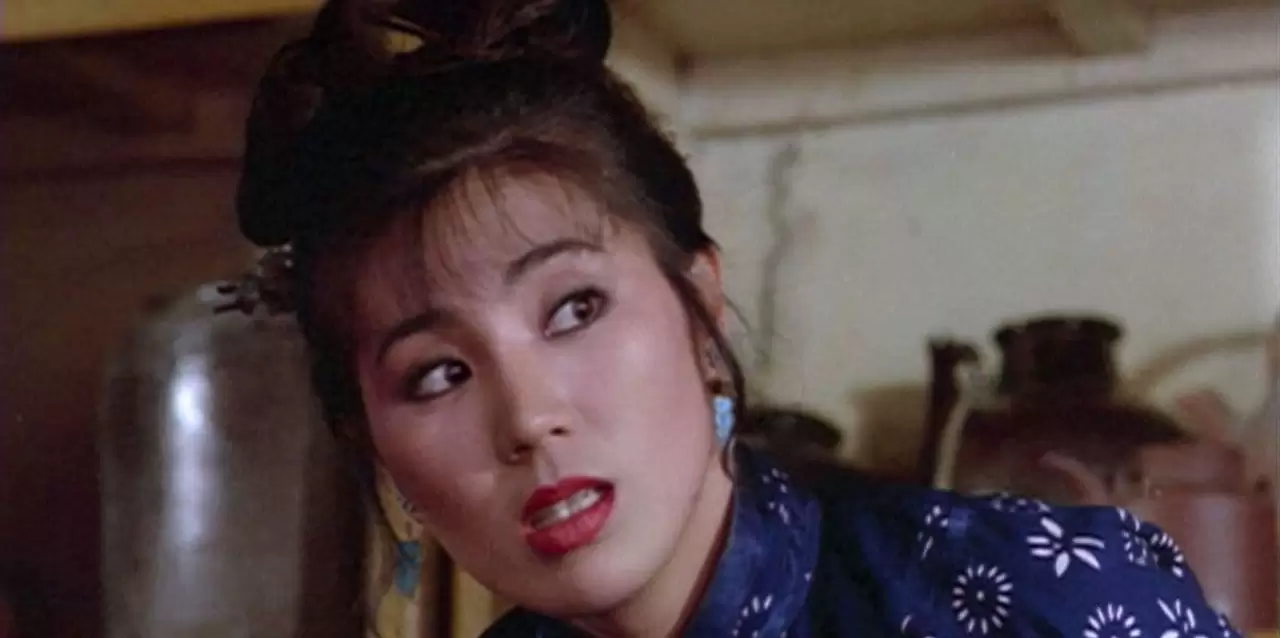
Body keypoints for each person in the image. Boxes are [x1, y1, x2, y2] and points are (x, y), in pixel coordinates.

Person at [231, 0, 1244, 635]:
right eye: (436, 373)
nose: (528, 416)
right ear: (372, 442)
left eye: (574, 308)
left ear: (699, 306)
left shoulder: (1036, 596)